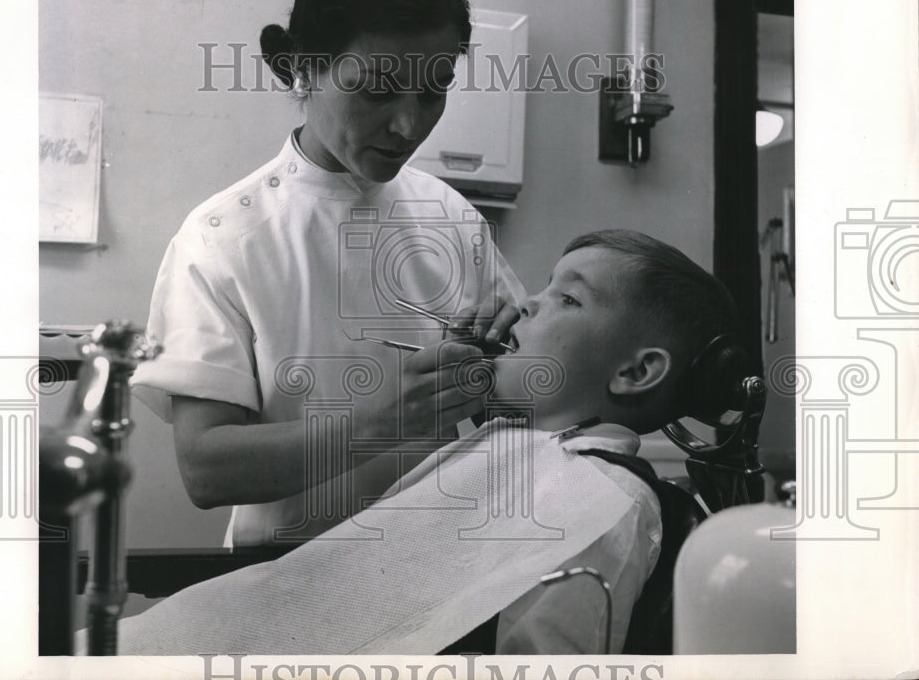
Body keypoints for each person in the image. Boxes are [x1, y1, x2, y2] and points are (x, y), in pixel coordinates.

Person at [115, 230, 746, 655]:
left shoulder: (601, 503)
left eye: (568, 298)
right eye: (545, 285)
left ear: (636, 373)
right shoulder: (514, 445)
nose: (525, 305)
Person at [130, 0, 524, 548]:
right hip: (278, 592)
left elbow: (523, 408)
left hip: (438, 580)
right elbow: (206, 466)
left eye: (434, 89)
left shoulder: (452, 216)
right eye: (376, 90)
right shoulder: (221, 239)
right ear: (305, 69)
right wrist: (385, 419)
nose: (409, 124)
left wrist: (499, 365)